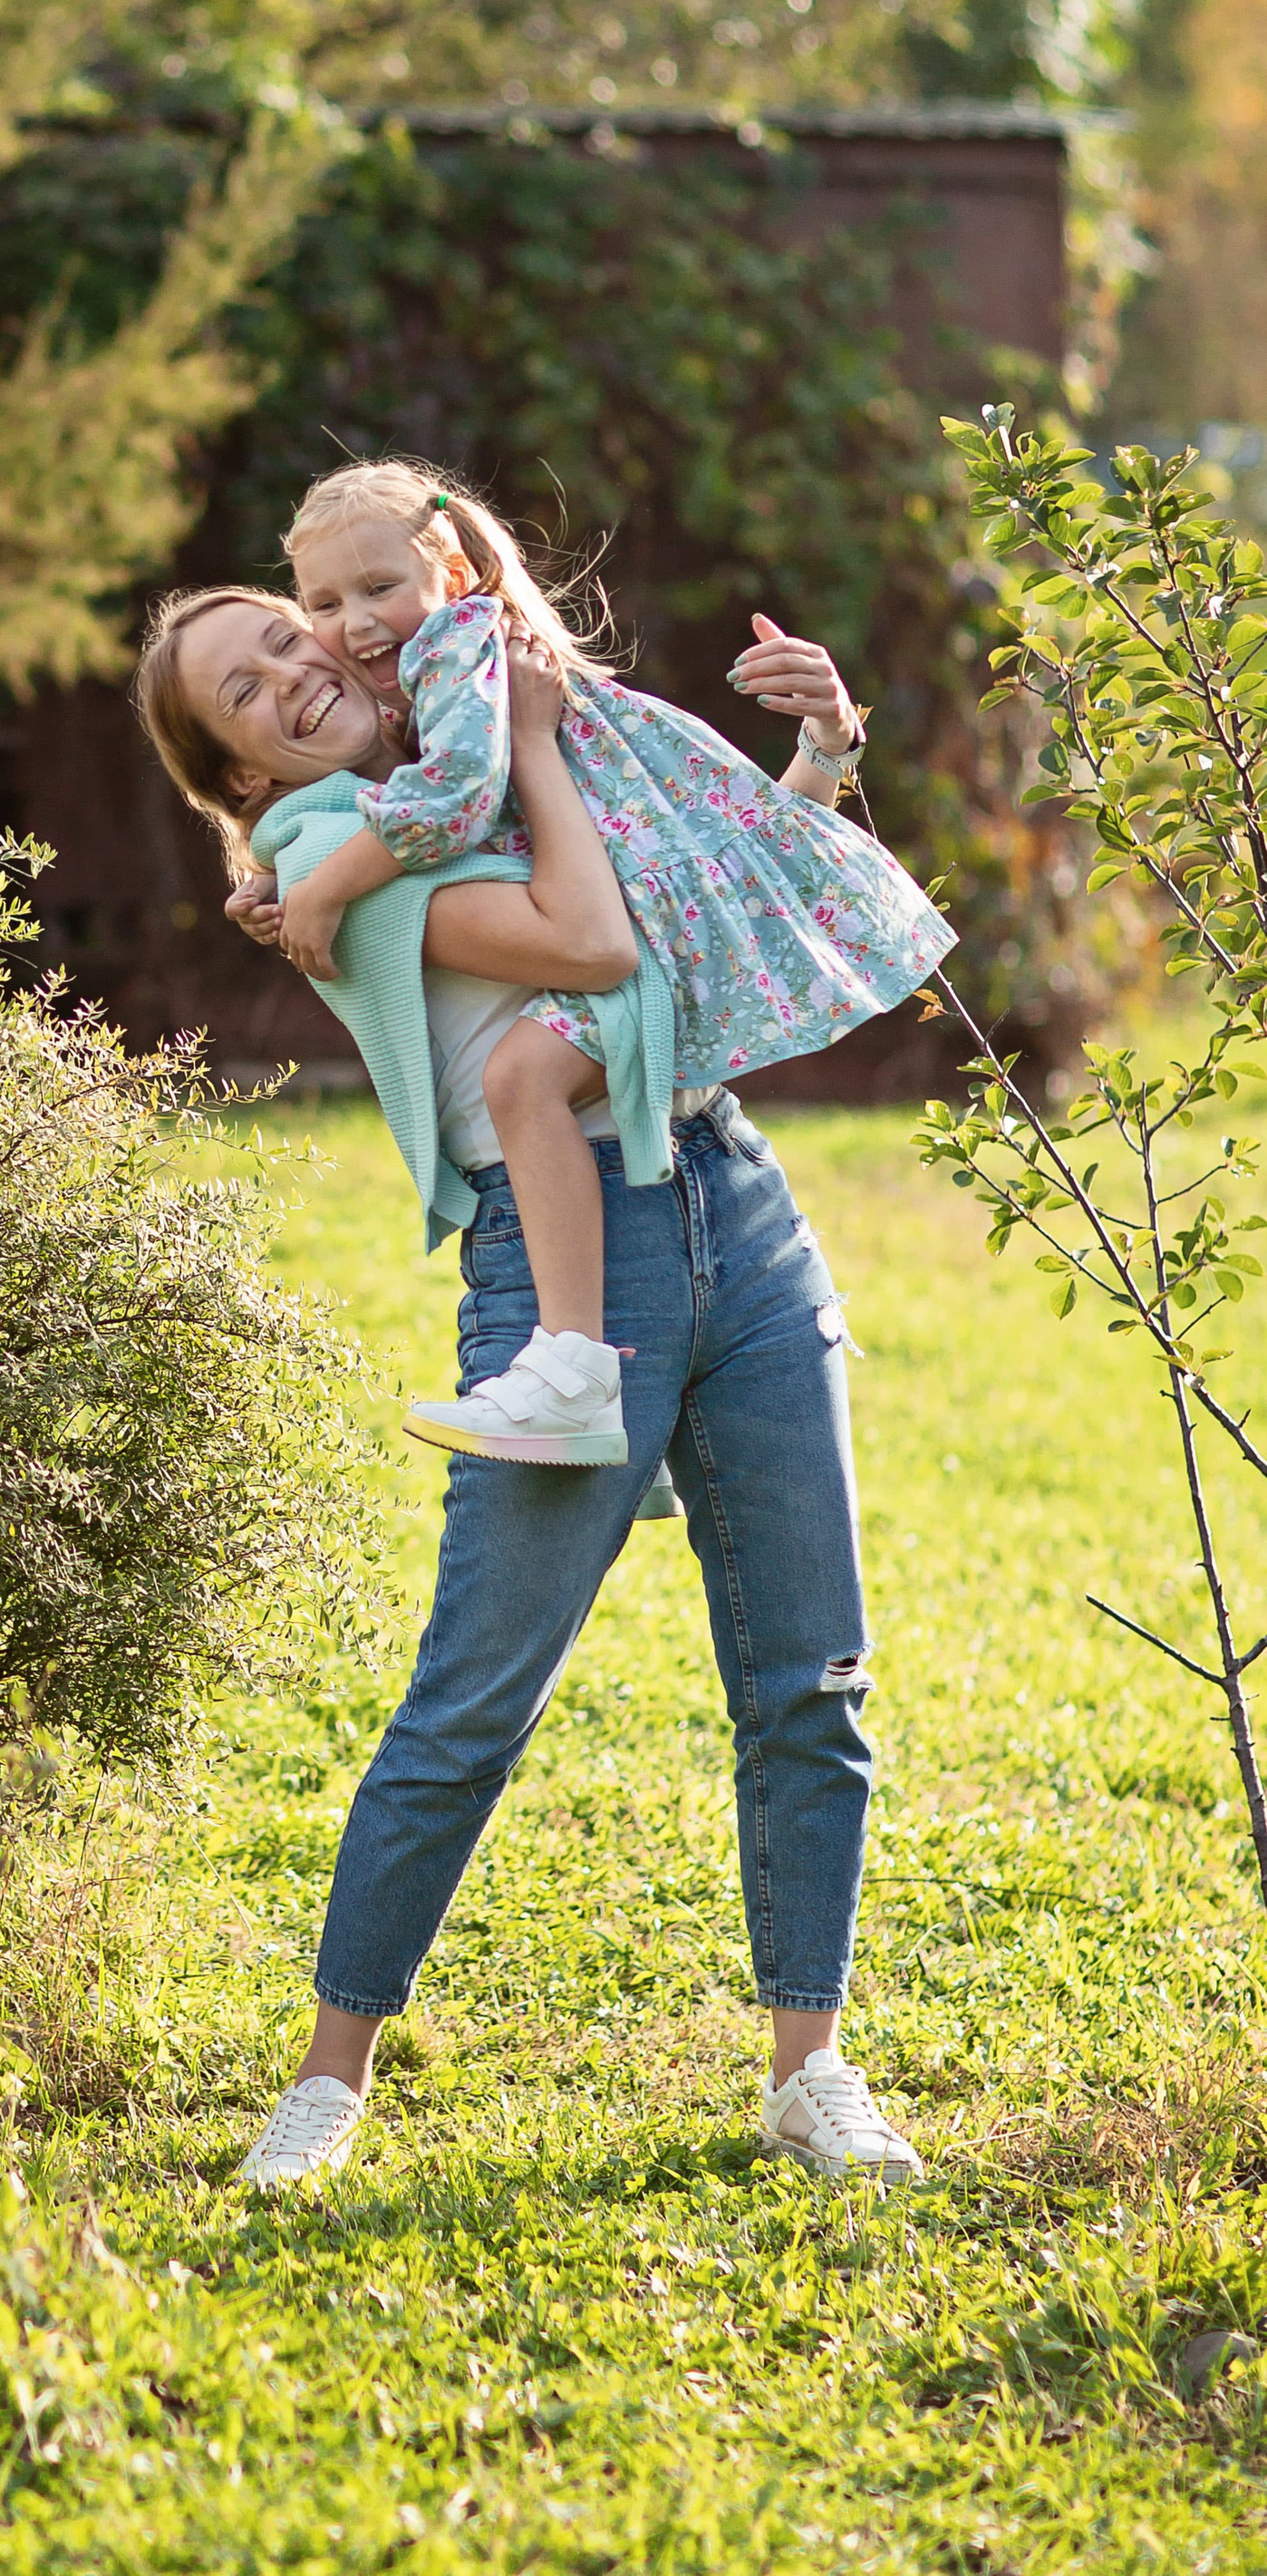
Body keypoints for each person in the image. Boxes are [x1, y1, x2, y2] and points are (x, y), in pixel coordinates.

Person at [131, 584, 926, 2192]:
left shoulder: (461, 794)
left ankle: (810, 2068)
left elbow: (703, 927)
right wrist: (538, 744)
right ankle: (328, 2082)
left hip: (740, 1202)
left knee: (809, 1675)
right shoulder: (327, 867)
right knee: (472, 1701)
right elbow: (591, 940)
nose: (293, 670)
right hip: (576, 1264)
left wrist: (826, 745)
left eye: (289, 636)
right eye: (242, 687)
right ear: (236, 781)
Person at [248, 459, 951, 1466]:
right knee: (524, 1078)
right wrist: (274, 872)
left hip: (639, 950)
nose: (354, 621)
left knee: (520, 1076)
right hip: (648, 932)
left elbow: (449, 799)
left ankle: (572, 1363)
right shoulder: (442, 666)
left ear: (447, 572)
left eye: (377, 588)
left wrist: (324, 886)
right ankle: (570, 1363)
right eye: (323, 601)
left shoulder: (458, 653)